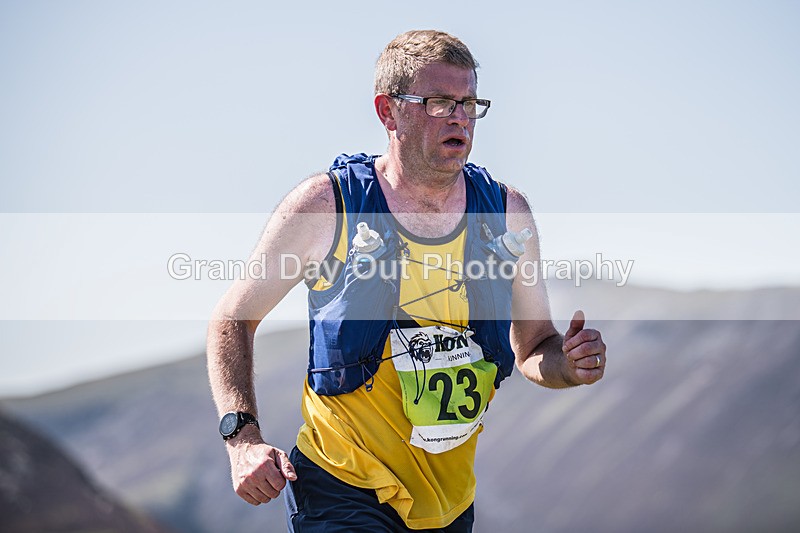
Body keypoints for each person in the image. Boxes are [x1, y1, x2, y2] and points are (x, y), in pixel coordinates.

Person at [207, 29, 606, 532]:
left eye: (469, 103)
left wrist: (569, 364)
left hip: (448, 505)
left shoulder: (507, 214)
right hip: (340, 486)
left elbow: (533, 348)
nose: (459, 117)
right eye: (439, 102)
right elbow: (233, 317)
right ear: (388, 111)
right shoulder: (327, 206)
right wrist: (241, 437)